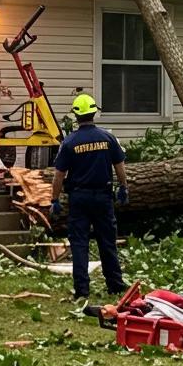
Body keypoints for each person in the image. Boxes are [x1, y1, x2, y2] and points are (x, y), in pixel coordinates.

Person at [50, 93, 128, 301]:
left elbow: (59, 174)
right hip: (103, 197)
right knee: (107, 242)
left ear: (76, 115)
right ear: (94, 112)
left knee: (79, 243)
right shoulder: (108, 138)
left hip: (79, 198)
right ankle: (115, 285)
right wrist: (123, 187)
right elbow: (119, 165)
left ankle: (82, 290)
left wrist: (54, 199)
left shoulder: (70, 142)